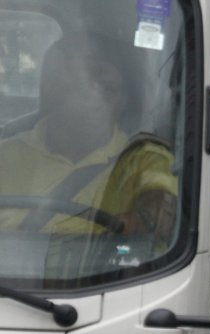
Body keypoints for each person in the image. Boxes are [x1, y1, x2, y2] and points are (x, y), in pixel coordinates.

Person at [0, 35, 176, 245]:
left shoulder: (142, 159)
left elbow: (161, 202)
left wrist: (144, 217)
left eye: (108, 89)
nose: (94, 99)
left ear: (123, 103)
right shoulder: (6, 154)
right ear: (51, 90)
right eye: (82, 85)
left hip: (108, 278)